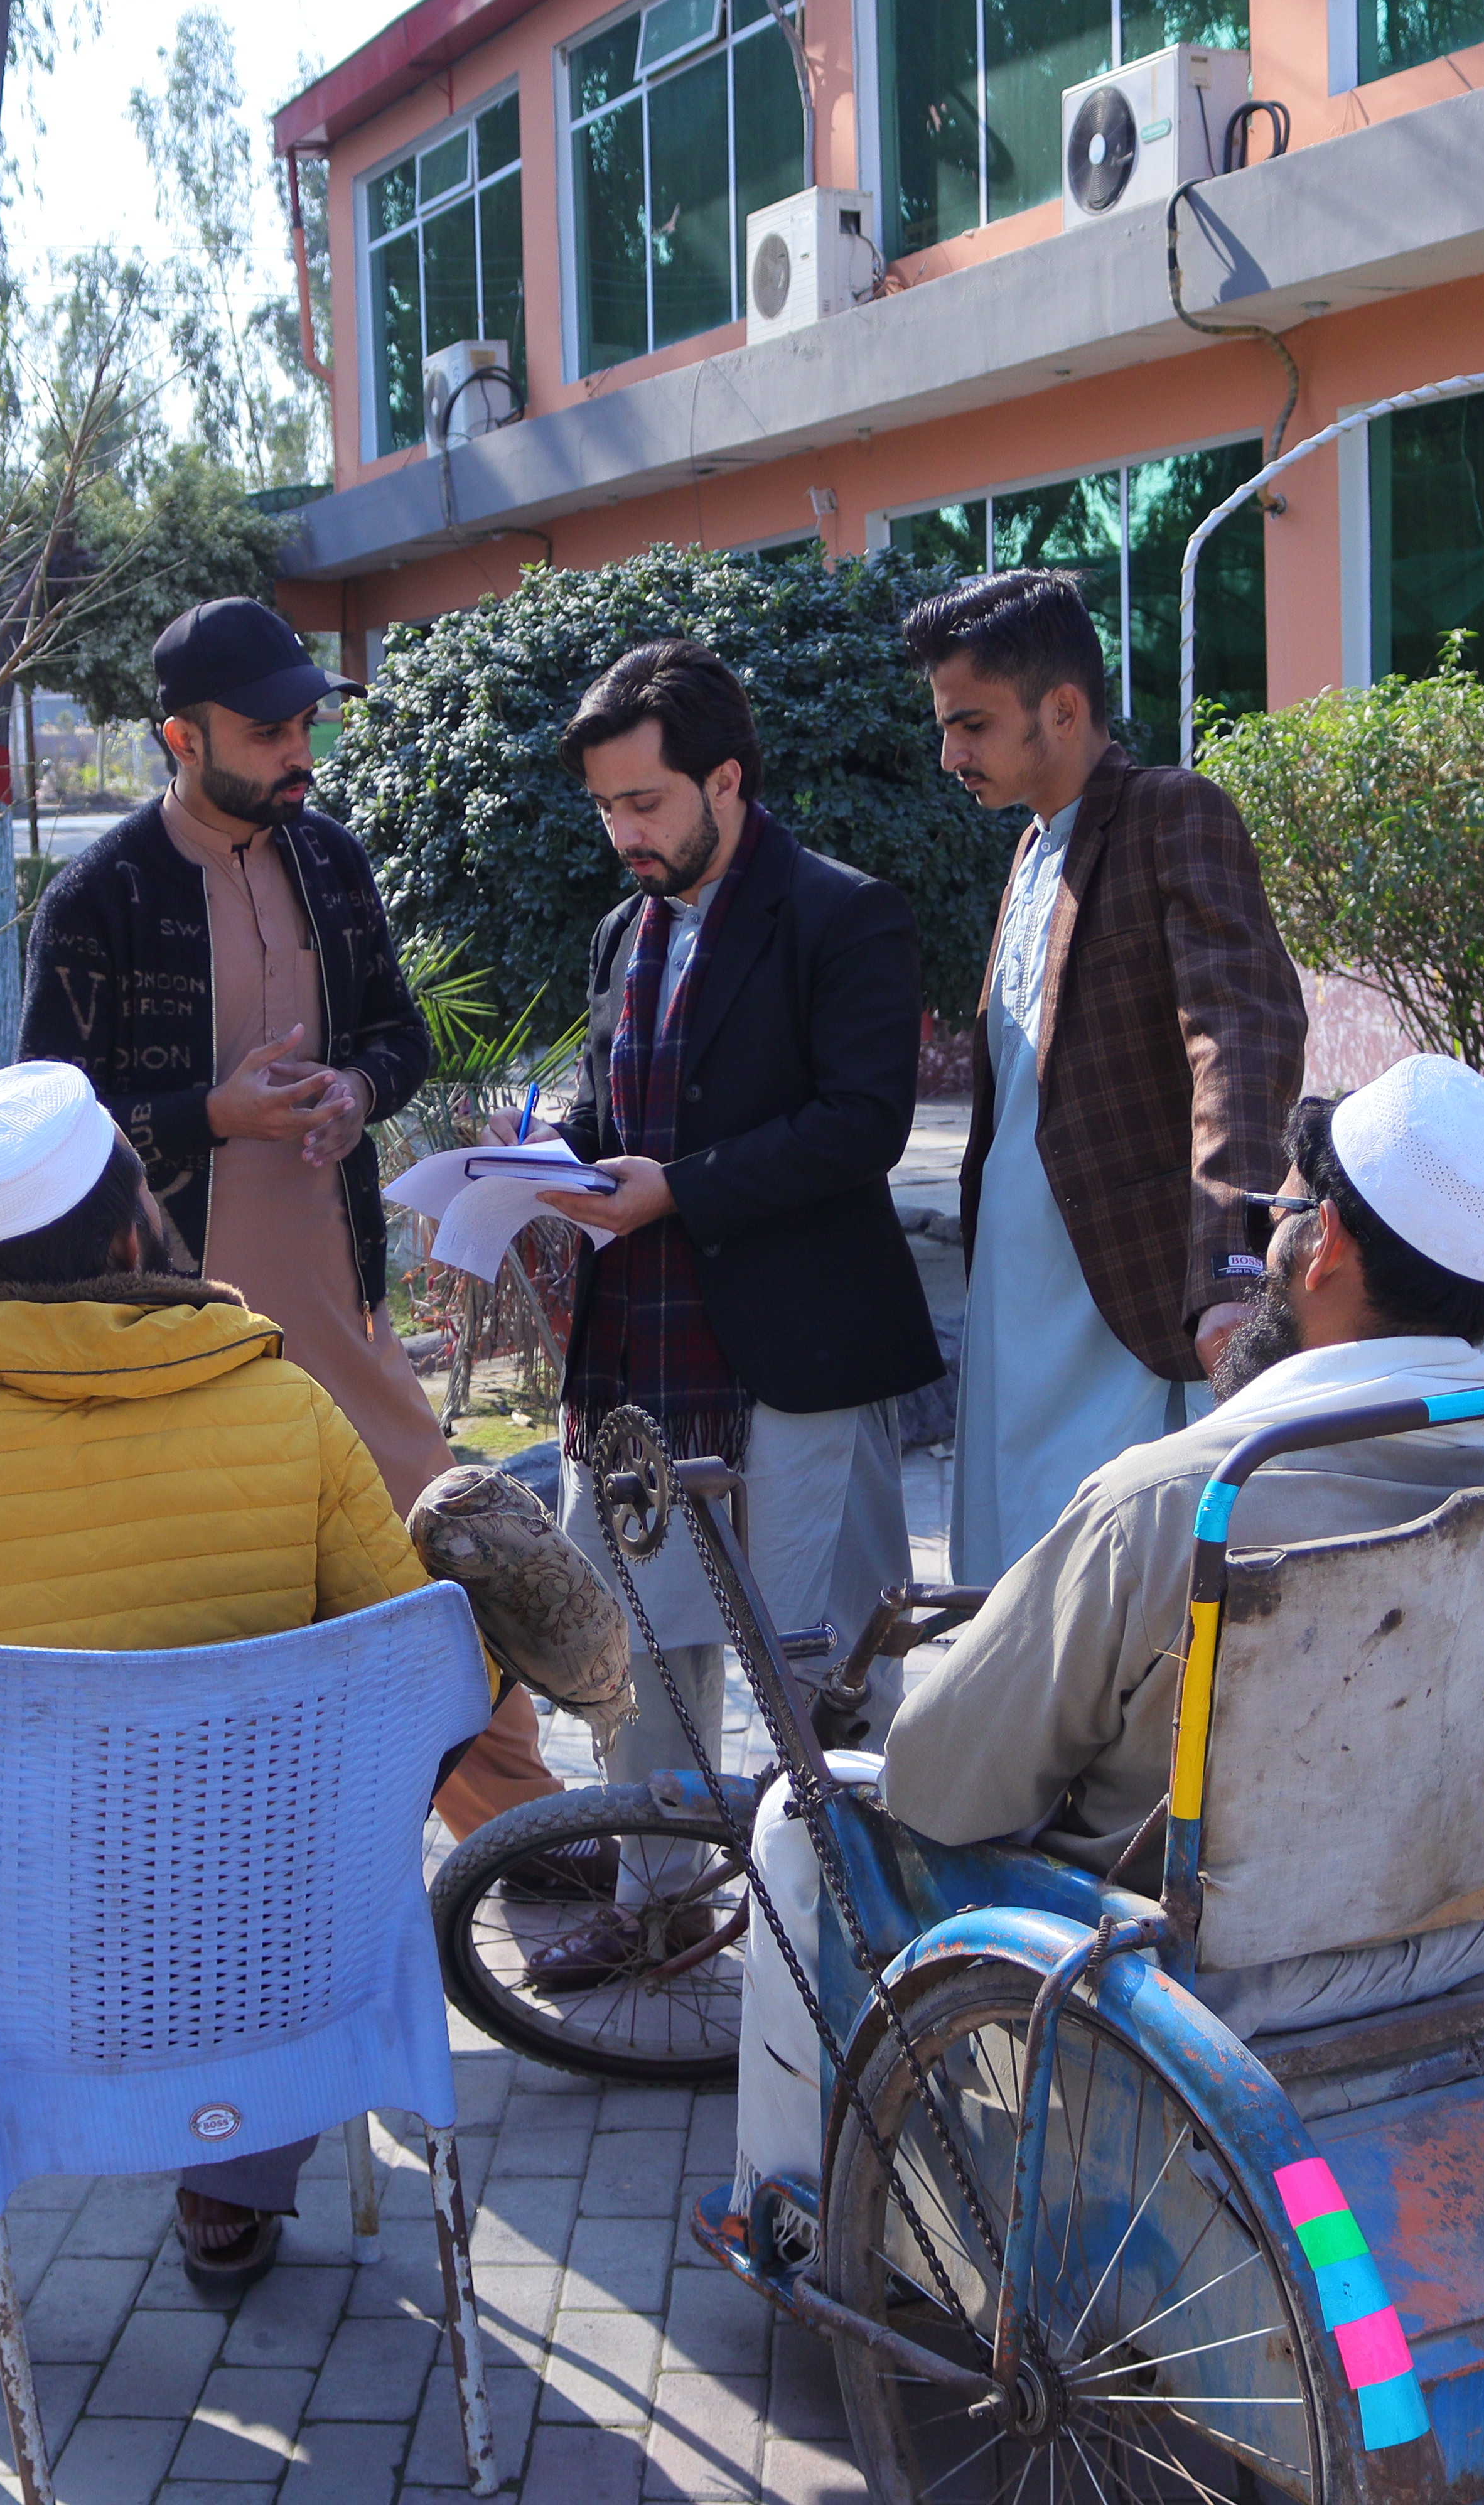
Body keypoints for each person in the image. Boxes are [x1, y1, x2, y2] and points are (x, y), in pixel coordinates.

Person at [730, 1054, 1484, 2214]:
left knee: (803, 1814)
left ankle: (790, 2210)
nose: (1269, 1247)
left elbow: (937, 1786)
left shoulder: (1172, 1503)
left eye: (1277, 1217)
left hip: (1220, 1986)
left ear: (1322, 1245)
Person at [0, 1059, 449, 2302]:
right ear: (136, 1222)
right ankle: (231, 2195)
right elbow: (424, 1679)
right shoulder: (286, 1405)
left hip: (16, 1980)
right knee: (263, 1833)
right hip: (282, 1965)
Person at [21, 595, 564, 1840]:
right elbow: (47, 1120)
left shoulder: (331, 858)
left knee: (446, 1551)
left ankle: (527, 1839)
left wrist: (360, 1092)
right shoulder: (98, 896)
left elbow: (399, 1034)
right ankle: (248, 1867)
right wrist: (216, 1114)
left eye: (304, 722)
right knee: (222, 1611)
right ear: (180, 734)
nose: (296, 750)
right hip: (168, 1334)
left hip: (336, 1299)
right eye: (267, 729)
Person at [521, 640, 944, 1988]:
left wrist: (680, 1191)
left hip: (798, 1355)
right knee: (637, 1650)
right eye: (603, 808)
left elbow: (863, 1123)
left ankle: (869, 1900)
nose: (623, 833)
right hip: (637, 1353)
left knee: (826, 1653)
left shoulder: (841, 912)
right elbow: (616, 1110)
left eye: (645, 803)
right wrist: (543, 1171)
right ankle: (661, 1902)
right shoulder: (617, 930)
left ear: (727, 779)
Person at [903, 574, 1305, 1583]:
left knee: (1123, 1595)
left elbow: (1242, 1038)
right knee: (1015, 1581)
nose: (950, 754)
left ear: (1064, 709)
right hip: (1015, 1304)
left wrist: (1231, 1275)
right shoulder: (1032, 849)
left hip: (1124, 1308)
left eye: (972, 725)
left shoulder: (1173, 812)